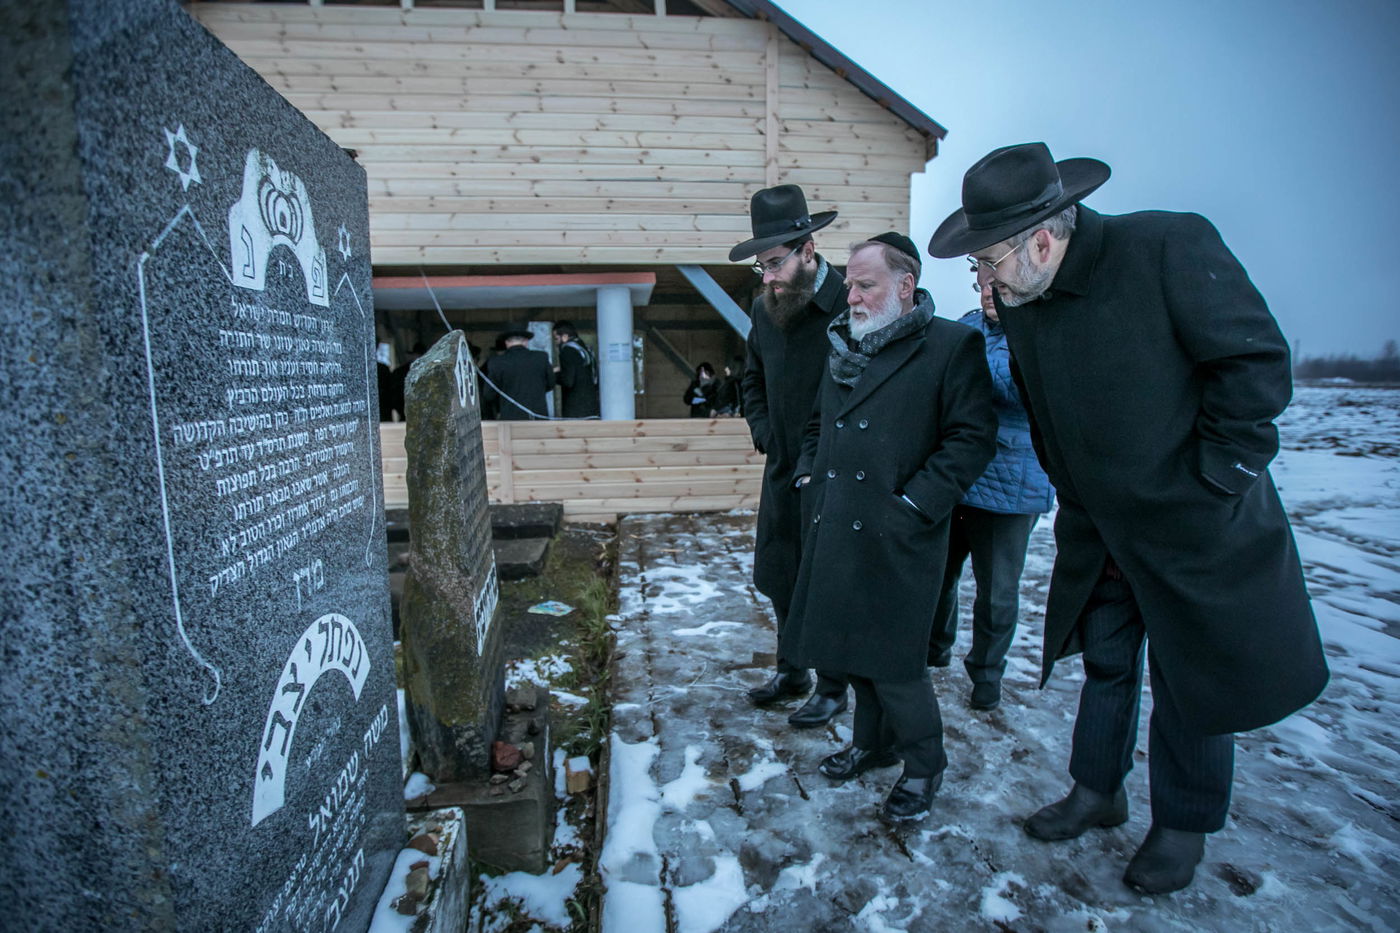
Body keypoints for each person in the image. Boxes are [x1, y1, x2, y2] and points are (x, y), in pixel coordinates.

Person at [928, 142, 1329, 893]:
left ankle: (1183, 823)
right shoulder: (1026, 300)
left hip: (1194, 526)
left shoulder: (1166, 246)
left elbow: (1255, 365)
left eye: (989, 262)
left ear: (1041, 239)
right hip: (1100, 527)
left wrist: (1216, 478)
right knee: (1108, 661)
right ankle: (1097, 790)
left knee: (1191, 679)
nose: (983, 279)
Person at [784, 232, 996, 823]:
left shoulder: (953, 345)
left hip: (899, 531)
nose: (849, 295)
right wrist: (808, 476)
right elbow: (818, 424)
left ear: (905, 285)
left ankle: (925, 765)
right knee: (853, 653)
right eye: (849, 283)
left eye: (864, 284)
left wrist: (916, 504)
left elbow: (972, 437)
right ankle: (871, 746)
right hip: (836, 523)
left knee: (897, 666)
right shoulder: (843, 345)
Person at [731, 184, 852, 730]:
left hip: (833, 468)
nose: (768, 277)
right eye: (761, 266)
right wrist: (763, 431)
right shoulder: (765, 307)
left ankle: (833, 685)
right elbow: (751, 380)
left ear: (808, 250)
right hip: (781, 464)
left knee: (825, 579)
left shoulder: (850, 304)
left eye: (775, 263)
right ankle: (792, 669)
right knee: (781, 571)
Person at [928, 281, 1055, 711]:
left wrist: (966, 377)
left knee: (997, 590)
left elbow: (1031, 394)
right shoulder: (966, 328)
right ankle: (935, 646)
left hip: (1011, 485)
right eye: (981, 285)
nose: (987, 293)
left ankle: (986, 672)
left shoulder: (1040, 332)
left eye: (996, 285)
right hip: (958, 475)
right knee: (939, 573)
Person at [482, 329, 555, 421]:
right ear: (526, 341)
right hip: (538, 416)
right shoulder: (541, 357)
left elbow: (488, 394)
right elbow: (551, 383)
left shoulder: (496, 362)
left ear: (507, 343)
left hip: (510, 418)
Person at [552, 321, 600, 419]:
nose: (556, 343)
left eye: (556, 339)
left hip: (574, 407)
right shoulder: (585, 349)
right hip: (591, 405)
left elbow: (568, 381)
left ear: (564, 337)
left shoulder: (567, 350)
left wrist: (554, 374)